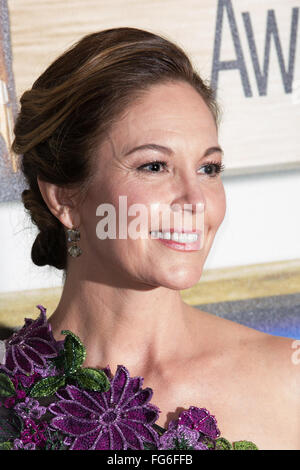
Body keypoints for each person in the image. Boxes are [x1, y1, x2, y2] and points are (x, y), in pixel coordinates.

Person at [7, 27, 300, 450]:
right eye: (154, 166)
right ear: (64, 196)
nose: (196, 200)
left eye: (209, 168)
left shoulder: (288, 380)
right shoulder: (7, 392)